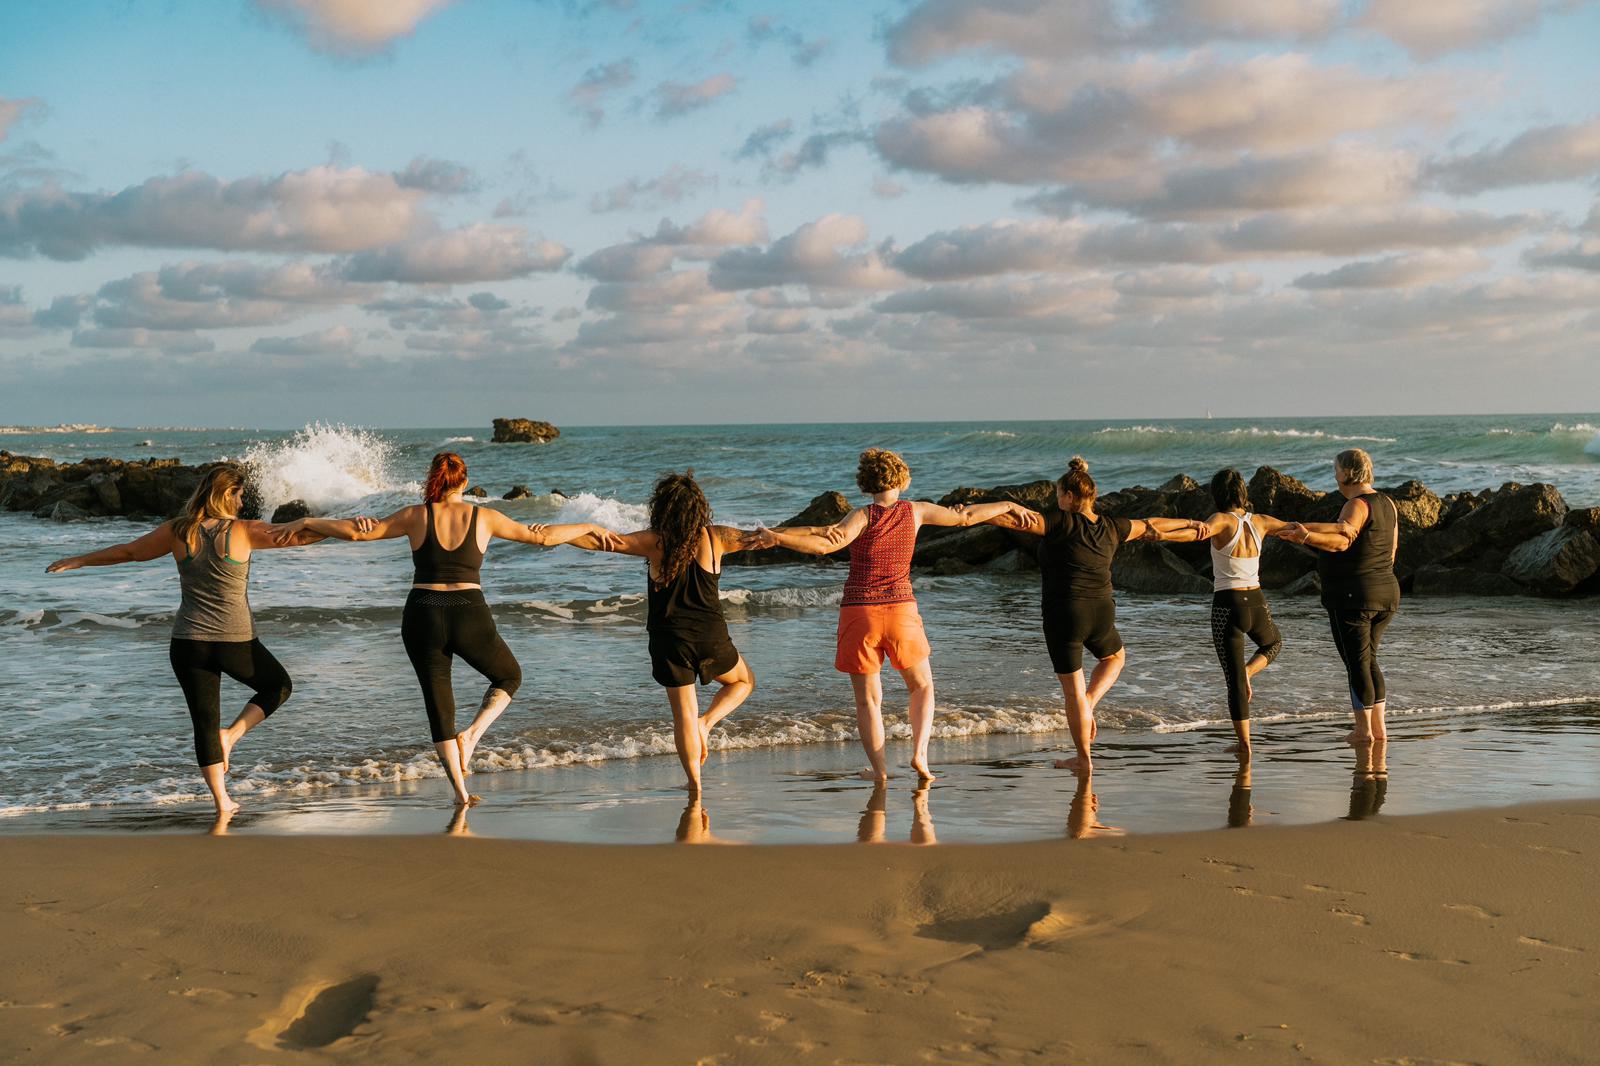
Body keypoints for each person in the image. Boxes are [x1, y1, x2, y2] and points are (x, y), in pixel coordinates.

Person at [276, 451, 616, 807]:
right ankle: (471, 737)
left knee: (439, 707)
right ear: (465, 482)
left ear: (433, 480)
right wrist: (589, 527)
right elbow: (542, 536)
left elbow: (361, 533)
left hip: (422, 614)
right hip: (469, 613)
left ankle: (460, 792)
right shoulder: (484, 517)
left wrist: (307, 521)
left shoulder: (415, 515)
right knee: (508, 676)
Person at [45, 464, 325, 814]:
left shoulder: (178, 531)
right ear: (226, 494)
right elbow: (298, 537)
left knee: (204, 721)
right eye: (238, 495)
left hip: (188, 642)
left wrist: (80, 561)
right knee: (278, 686)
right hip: (234, 642)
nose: (241, 502)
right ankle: (232, 736)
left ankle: (223, 802)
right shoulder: (243, 531)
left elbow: (129, 552)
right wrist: (345, 529)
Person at [755, 447, 1019, 783]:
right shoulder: (917, 511)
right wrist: (1008, 505)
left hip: (859, 614)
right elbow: (966, 517)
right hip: (901, 611)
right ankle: (920, 754)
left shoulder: (861, 516)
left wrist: (776, 537)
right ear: (903, 479)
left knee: (868, 702)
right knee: (922, 687)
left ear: (865, 484)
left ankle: (879, 772)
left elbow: (826, 542)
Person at [984, 457, 1202, 773]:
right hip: (1101, 611)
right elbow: (1150, 525)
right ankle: (1090, 703)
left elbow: (1015, 521)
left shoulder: (1059, 522)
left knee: (1073, 694)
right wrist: (1190, 524)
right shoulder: (1113, 526)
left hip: (1065, 615)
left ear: (1071, 497)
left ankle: (1083, 758)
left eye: (1059, 494)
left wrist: (975, 516)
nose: (1056, 500)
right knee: (1115, 658)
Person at [573, 472, 761, 794]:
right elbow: (760, 538)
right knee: (744, 682)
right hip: (710, 635)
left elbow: (604, 542)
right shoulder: (716, 538)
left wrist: (560, 533)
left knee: (684, 715)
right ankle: (709, 723)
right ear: (698, 508)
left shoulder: (654, 542)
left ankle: (695, 786)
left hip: (668, 640)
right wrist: (802, 537)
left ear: (662, 507)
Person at [1280, 448, 1400, 747]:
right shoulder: (1387, 503)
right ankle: (1379, 729)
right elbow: (1393, 551)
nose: (1334, 475)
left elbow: (1343, 537)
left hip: (1352, 596)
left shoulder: (1356, 504)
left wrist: (1305, 536)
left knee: (1357, 664)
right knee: (1369, 660)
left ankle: (1363, 731)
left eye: (1336, 469)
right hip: (1386, 591)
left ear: (1347, 473)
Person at [1191, 468, 1298, 757]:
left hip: (1228, 604)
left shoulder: (1220, 520)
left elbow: (1200, 530)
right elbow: (1293, 527)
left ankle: (1244, 745)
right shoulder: (1260, 521)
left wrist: (1155, 531)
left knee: (1233, 679)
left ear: (1217, 495)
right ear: (1242, 493)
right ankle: (1249, 672)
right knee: (1273, 642)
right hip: (1257, 600)